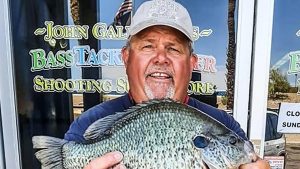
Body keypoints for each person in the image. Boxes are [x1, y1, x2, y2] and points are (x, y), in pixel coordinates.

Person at [64, 0, 271, 168]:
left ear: (192, 64)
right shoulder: (86, 127)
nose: (161, 58)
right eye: (147, 46)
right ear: (126, 58)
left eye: (173, 49)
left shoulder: (224, 125)